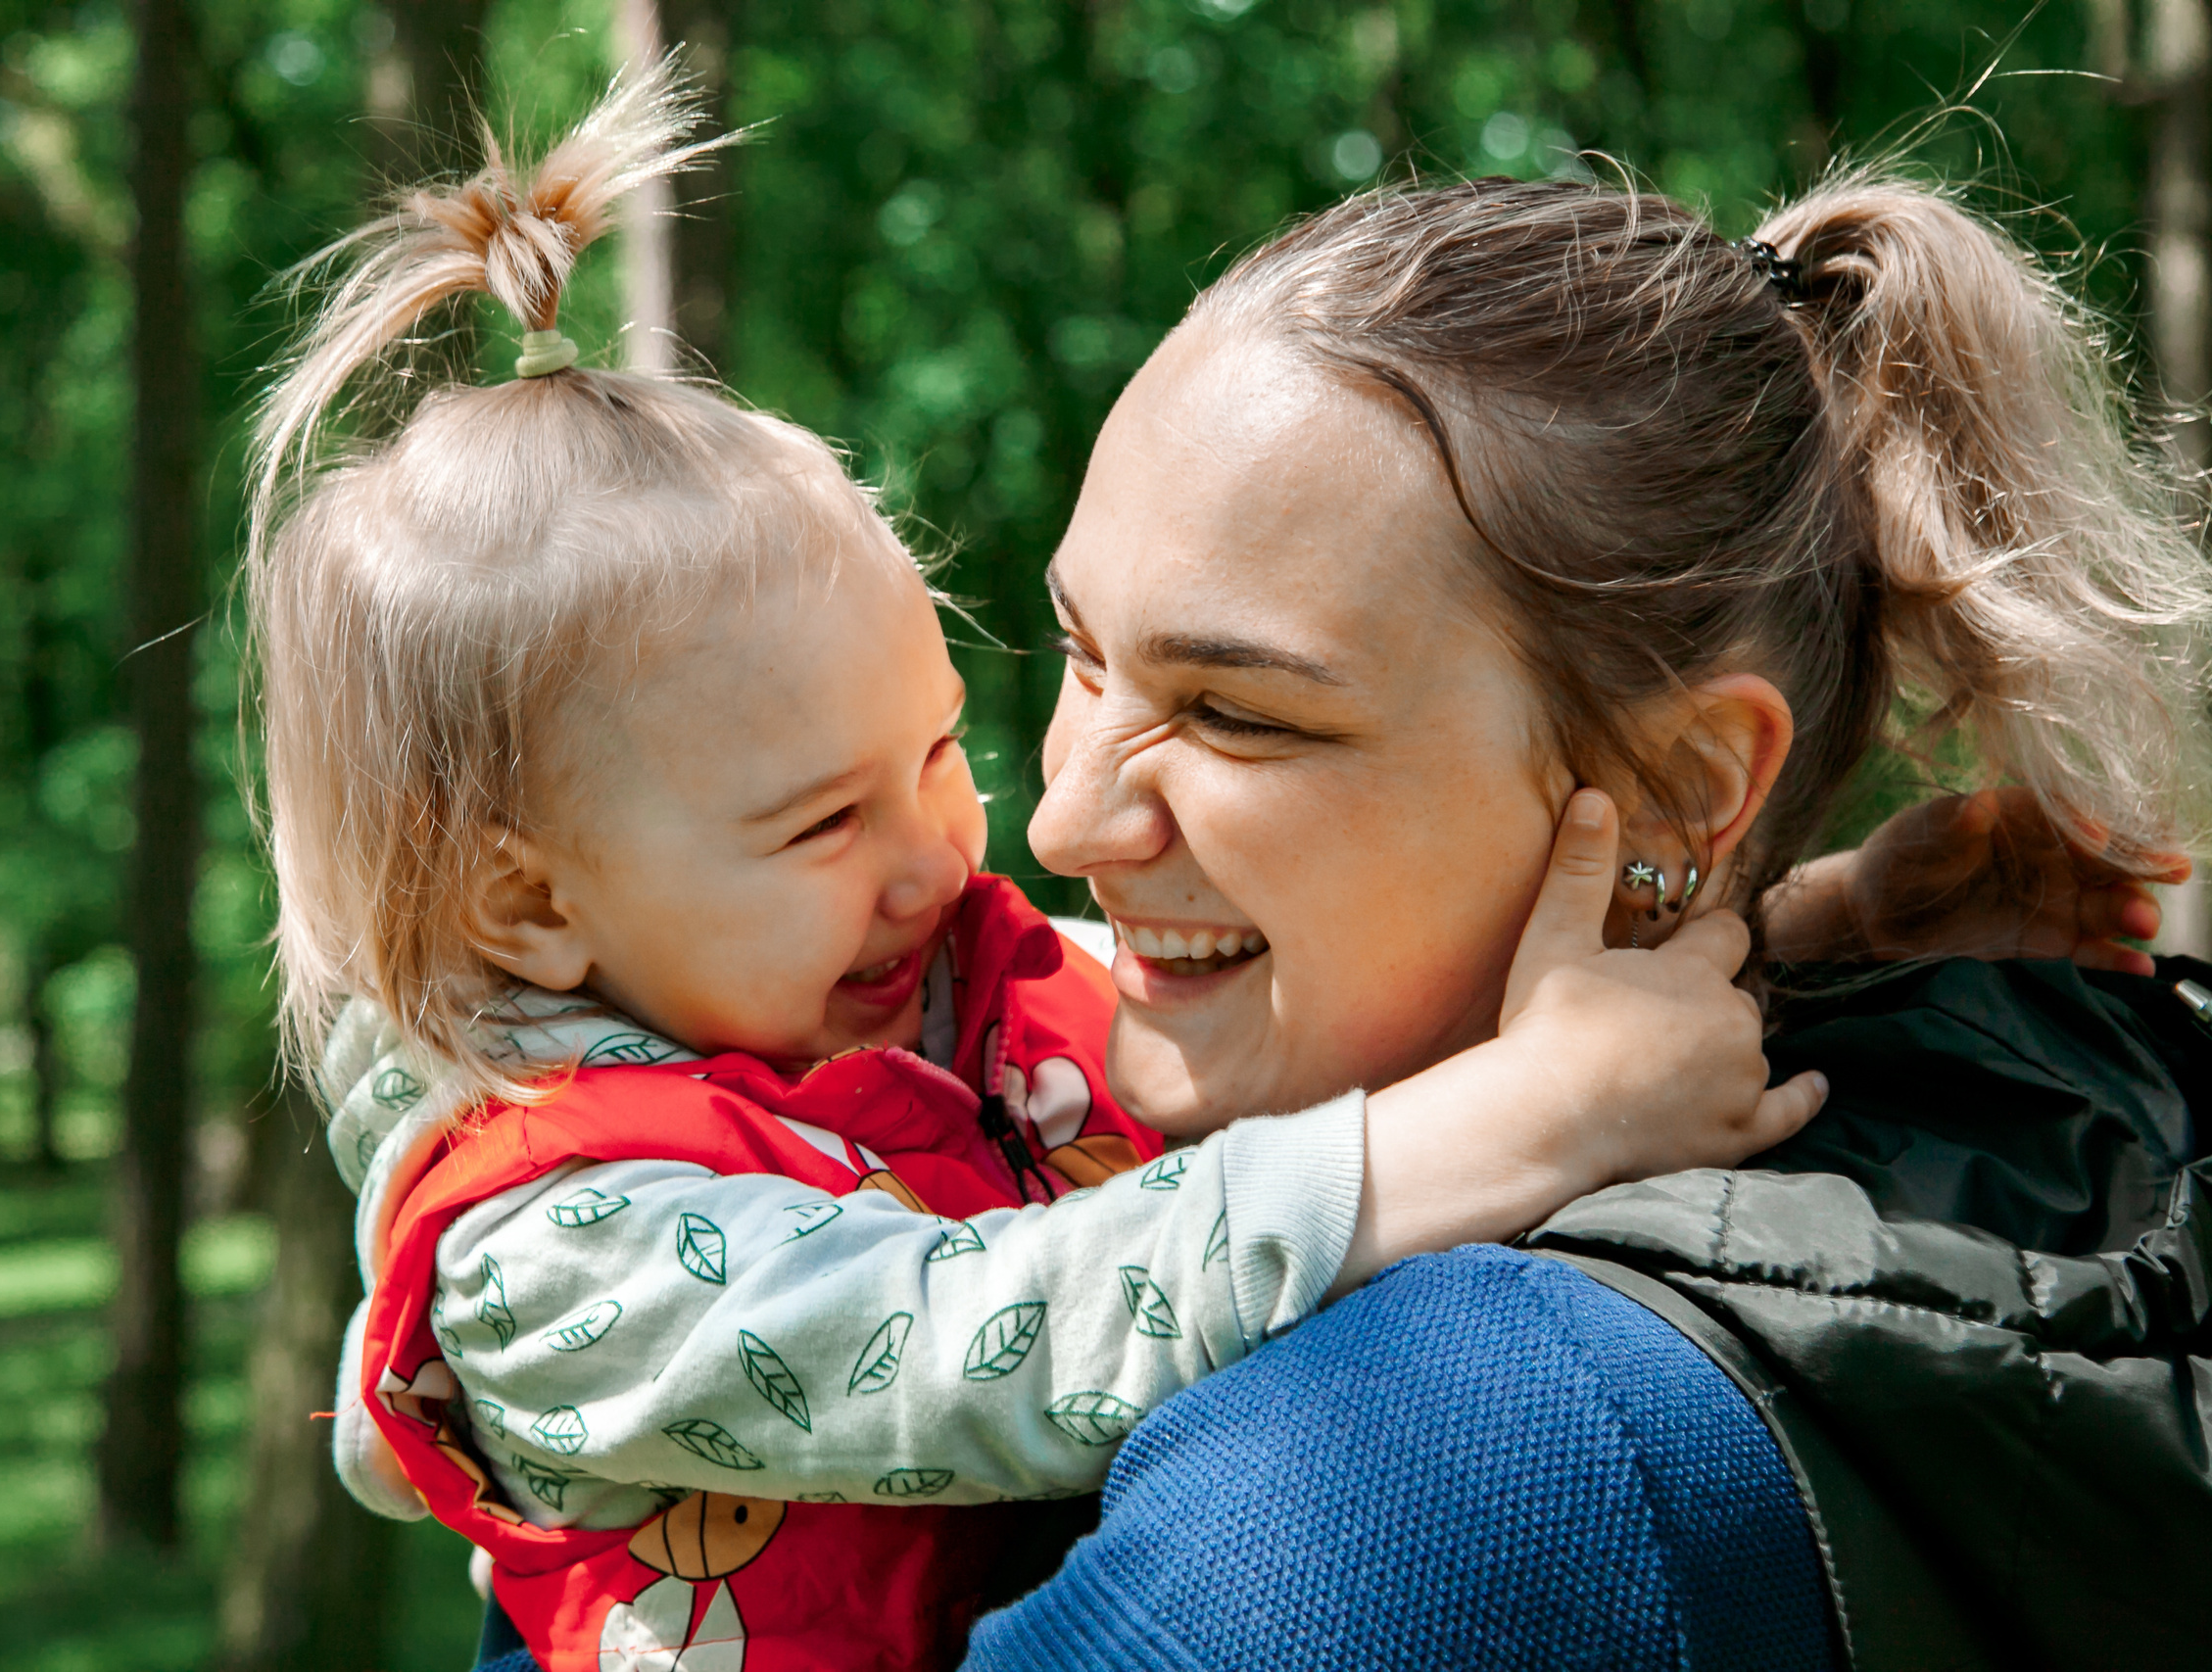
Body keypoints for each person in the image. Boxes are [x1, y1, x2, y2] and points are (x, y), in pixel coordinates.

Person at [247, 72, 1825, 1671]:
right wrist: (1536, 1115)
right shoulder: (552, 1258)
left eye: (937, 752)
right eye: (818, 823)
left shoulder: (880, 983)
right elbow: (991, 1337)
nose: (986, 843)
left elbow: (1337, 975)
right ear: (529, 906)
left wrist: (1797, 909)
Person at [963, 172, 2212, 1670]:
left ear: (1684, 787)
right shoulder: (2050, 1123)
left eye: (1235, 714)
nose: (1063, 823)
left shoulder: (1383, 1493)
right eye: (1081, 653)